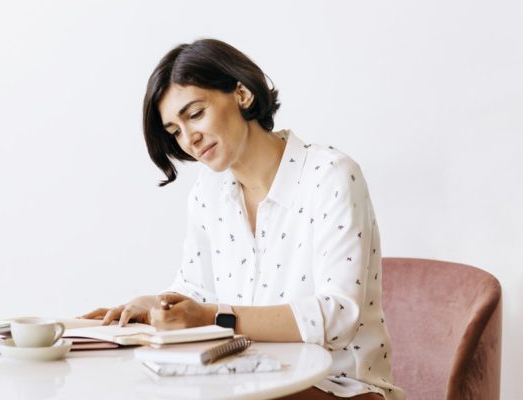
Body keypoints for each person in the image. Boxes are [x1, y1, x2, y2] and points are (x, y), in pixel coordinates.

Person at [81, 39, 404, 400]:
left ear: (242, 94)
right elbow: (197, 290)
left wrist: (211, 316)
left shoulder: (329, 175)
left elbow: (339, 316)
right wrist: (157, 305)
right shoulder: (208, 193)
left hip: (341, 387)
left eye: (195, 114)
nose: (189, 139)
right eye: (175, 130)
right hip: (246, 380)